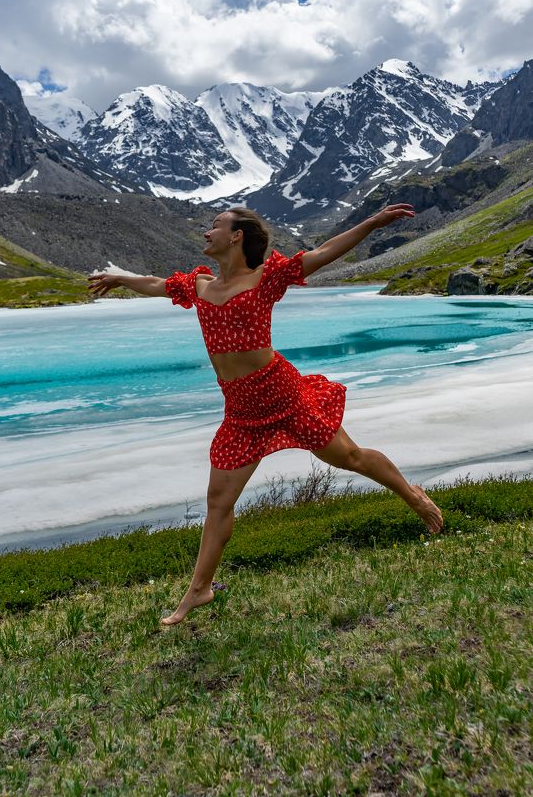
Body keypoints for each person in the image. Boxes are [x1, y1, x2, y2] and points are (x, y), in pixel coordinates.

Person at [87, 204, 443, 626]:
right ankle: (199, 589)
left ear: (237, 236)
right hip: (240, 411)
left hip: (283, 396)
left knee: (349, 457)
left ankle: (413, 496)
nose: (207, 232)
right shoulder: (199, 285)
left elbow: (323, 253)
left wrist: (371, 223)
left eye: (215, 226)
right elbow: (156, 284)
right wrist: (120, 278)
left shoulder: (265, 278)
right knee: (218, 501)